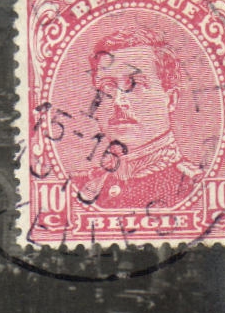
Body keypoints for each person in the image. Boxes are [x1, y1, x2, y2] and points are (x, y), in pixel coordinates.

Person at [71, 26, 204, 209]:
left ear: (171, 99)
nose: (119, 101)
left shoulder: (195, 186)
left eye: (135, 84)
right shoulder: (78, 186)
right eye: (108, 87)